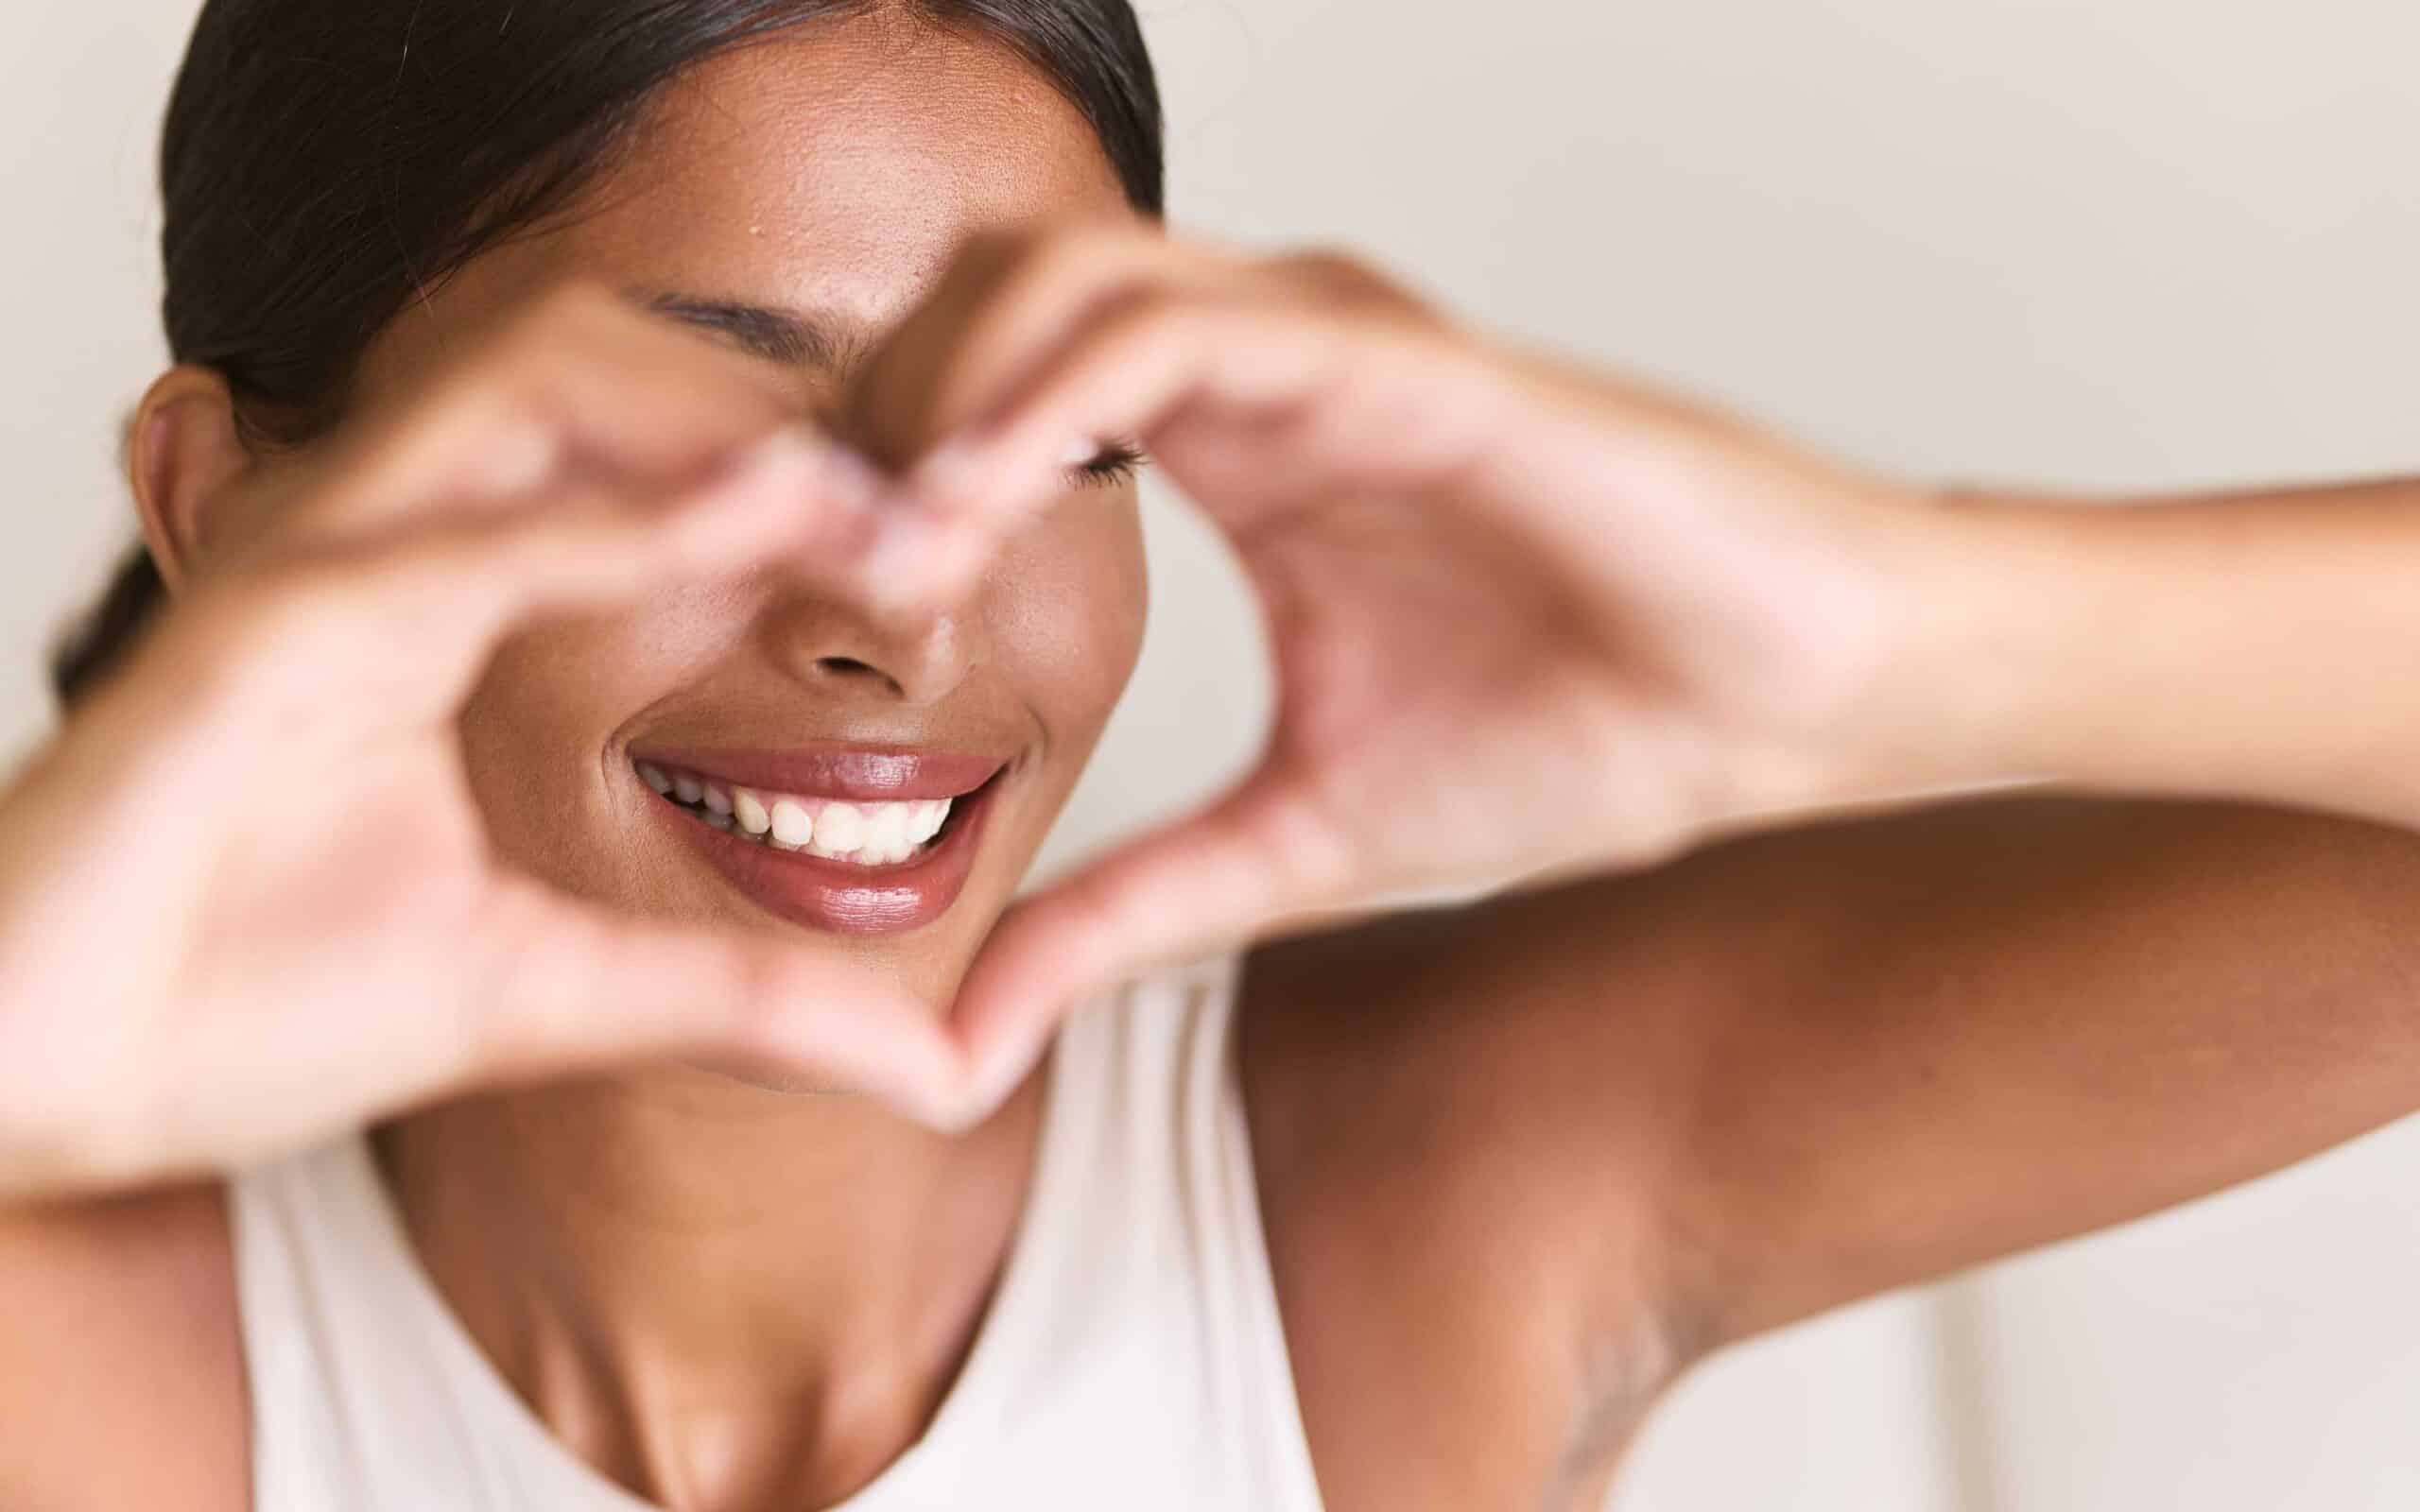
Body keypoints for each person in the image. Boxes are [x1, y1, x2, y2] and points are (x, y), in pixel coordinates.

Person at [5, 1, 2420, 1507]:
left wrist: (1881, 627)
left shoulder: (1421, 1196)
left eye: (1045, 438)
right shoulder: (95, 1339)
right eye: (687, 431)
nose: (900, 610)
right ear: (227, 503)